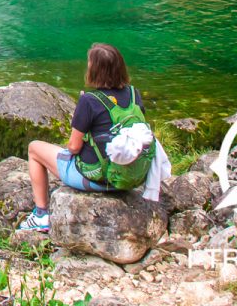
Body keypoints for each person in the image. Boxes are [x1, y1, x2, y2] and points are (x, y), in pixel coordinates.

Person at [17, 42, 144, 233]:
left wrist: (82, 111)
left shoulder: (89, 100)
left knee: (34, 148)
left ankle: (41, 214)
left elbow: (73, 147)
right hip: (131, 176)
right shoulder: (135, 95)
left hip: (98, 179)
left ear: (95, 70)